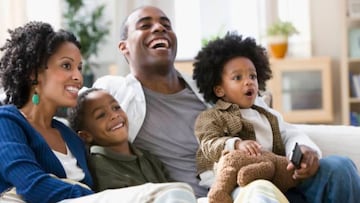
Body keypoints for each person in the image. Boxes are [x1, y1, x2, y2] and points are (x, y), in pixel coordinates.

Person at [92, 5, 296, 202]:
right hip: (179, 197)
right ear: (124, 46)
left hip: (239, 187)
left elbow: (279, 126)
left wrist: (303, 148)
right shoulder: (113, 91)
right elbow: (78, 112)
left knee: (323, 169)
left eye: (166, 25)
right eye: (145, 25)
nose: (159, 28)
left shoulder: (210, 87)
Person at [0, 21, 197, 203]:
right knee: (173, 194)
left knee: (186, 194)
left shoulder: (70, 136)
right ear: (33, 73)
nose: (77, 76)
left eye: (79, 67)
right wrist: (96, 197)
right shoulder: (7, 121)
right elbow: (32, 185)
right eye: (66, 66)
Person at [192, 32, 360, 203]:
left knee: (341, 166)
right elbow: (208, 143)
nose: (249, 82)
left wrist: (303, 150)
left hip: (281, 177)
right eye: (237, 77)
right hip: (241, 182)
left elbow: (290, 133)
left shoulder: (265, 112)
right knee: (259, 191)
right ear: (219, 89)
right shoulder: (212, 116)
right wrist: (236, 144)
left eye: (253, 76)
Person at [67, 87, 169, 192]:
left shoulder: (148, 157)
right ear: (85, 135)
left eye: (116, 107)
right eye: (101, 115)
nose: (114, 115)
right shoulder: (99, 166)